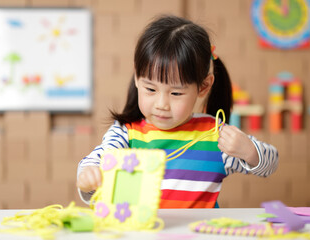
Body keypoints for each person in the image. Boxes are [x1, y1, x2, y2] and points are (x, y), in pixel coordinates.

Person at [77, 15, 278, 208]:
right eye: (151, 89)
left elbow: (270, 164)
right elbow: (95, 161)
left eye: (175, 93)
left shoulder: (214, 136)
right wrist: (89, 177)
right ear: (137, 77)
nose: (161, 104)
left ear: (203, 87)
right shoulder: (126, 133)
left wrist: (249, 151)